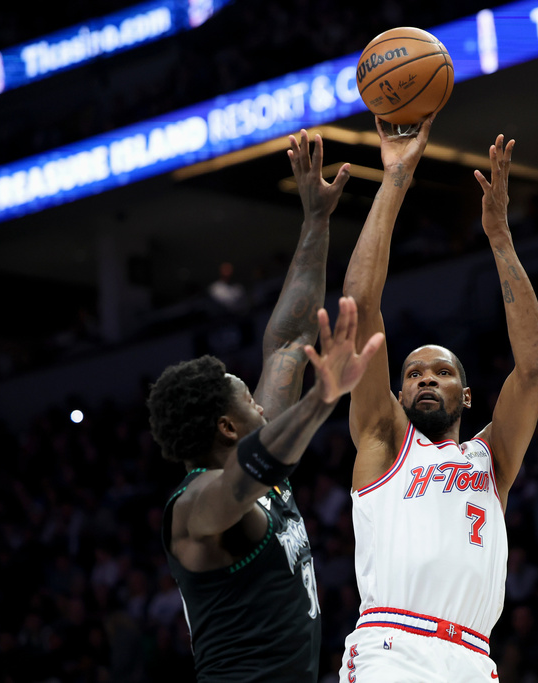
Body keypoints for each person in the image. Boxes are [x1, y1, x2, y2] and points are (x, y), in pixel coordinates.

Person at [148, 131, 375, 682]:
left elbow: (291, 342)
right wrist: (321, 400)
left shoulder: (252, 462)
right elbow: (247, 478)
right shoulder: (194, 505)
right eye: (249, 398)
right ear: (228, 426)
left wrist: (316, 223)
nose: (261, 401)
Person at [337, 119, 538, 681]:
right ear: (399, 391)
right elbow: (359, 304)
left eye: (441, 371)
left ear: (468, 393)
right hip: (394, 647)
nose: (425, 379)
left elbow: (532, 370)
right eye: (412, 373)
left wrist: (500, 238)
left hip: (476, 659)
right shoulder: (384, 441)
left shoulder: (490, 461)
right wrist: (395, 179)